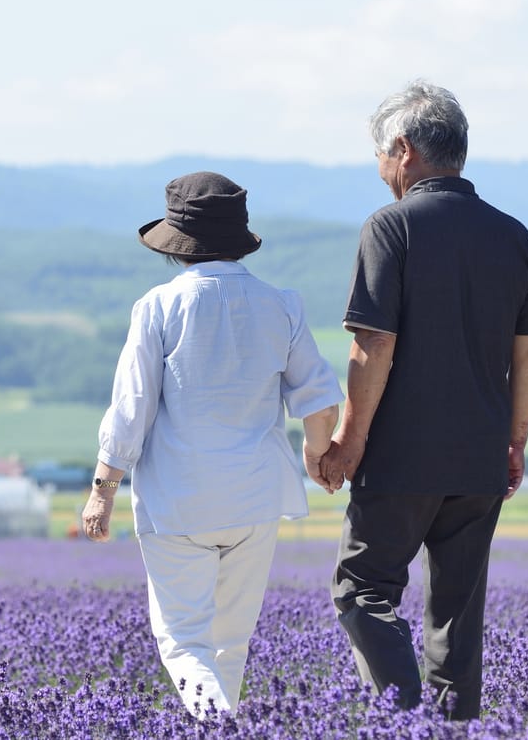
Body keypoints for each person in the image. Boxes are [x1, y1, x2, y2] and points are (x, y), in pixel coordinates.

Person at [319, 80, 528, 720]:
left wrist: (351, 438)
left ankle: (406, 721)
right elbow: (527, 355)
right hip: (479, 455)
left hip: (400, 456)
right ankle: (454, 728)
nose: (379, 170)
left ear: (403, 149)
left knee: (362, 591)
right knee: (456, 614)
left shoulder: (390, 227)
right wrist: (515, 442)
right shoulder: (514, 236)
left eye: (378, 155)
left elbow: (373, 343)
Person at [81, 171, 343, 717]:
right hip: (255, 500)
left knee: (183, 644)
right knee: (230, 645)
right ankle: (223, 723)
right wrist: (317, 456)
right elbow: (319, 400)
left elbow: (131, 408)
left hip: (179, 504)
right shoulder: (282, 305)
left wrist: (102, 490)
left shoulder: (157, 307)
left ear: (178, 246)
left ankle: (224, 728)